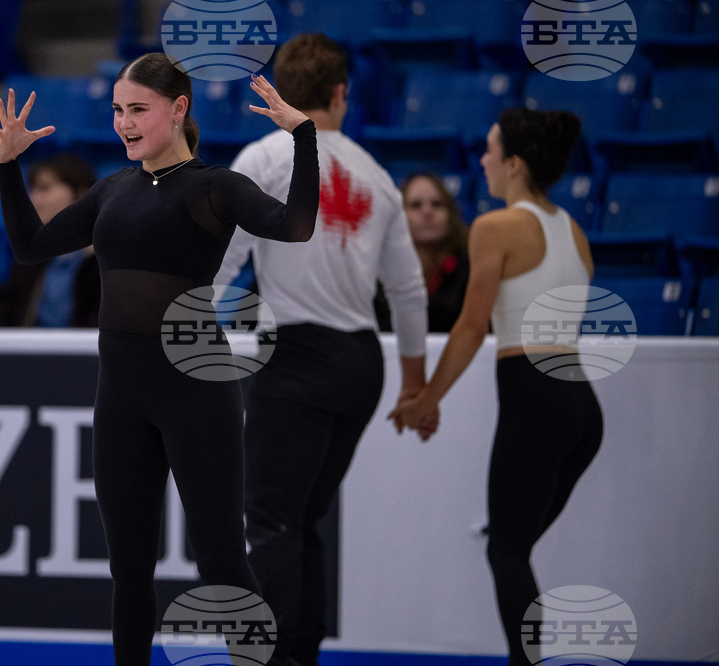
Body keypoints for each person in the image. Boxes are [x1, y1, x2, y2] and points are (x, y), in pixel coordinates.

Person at [0, 52, 320, 665]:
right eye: (118, 110)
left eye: (138, 110)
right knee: (130, 569)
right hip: (121, 399)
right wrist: (9, 164)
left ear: (178, 109)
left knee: (221, 562)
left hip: (196, 394)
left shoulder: (214, 187)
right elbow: (30, 246)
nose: (125, 123)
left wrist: (304, 136)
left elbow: (296, 226)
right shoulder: (113, 190)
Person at [213, 34, 430, 666]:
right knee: (303, 518)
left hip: (296, 358)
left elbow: (224, 259)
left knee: (272, 519)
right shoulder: (378, 176)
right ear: (341, 93)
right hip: (361, 364)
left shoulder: (264, 156)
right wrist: (415, 385)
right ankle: (299, 655)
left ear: (282, 90)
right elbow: (409, 291)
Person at [392, 108, 603, 666]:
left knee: (506, 550)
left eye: (490, 149)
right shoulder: (574, 230)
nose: (482, 160)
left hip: (535, 399)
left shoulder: (495, 227)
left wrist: (425, 400)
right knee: (514, 548)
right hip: (581, 407)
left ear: (513, 162)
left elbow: (469, 325)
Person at [0, 154, 99, 327]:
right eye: (32, 190)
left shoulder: (107, 259)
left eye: (44, 189)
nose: (34, 199)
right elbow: (6, 313)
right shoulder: (28, 258)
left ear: (81, 193)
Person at [374, 172, 470, 333]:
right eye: (415, 205)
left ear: (451, 214)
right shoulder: (378, 270)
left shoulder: (470, 268)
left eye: (437, 204)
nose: (427, 212)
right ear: (398, 216)